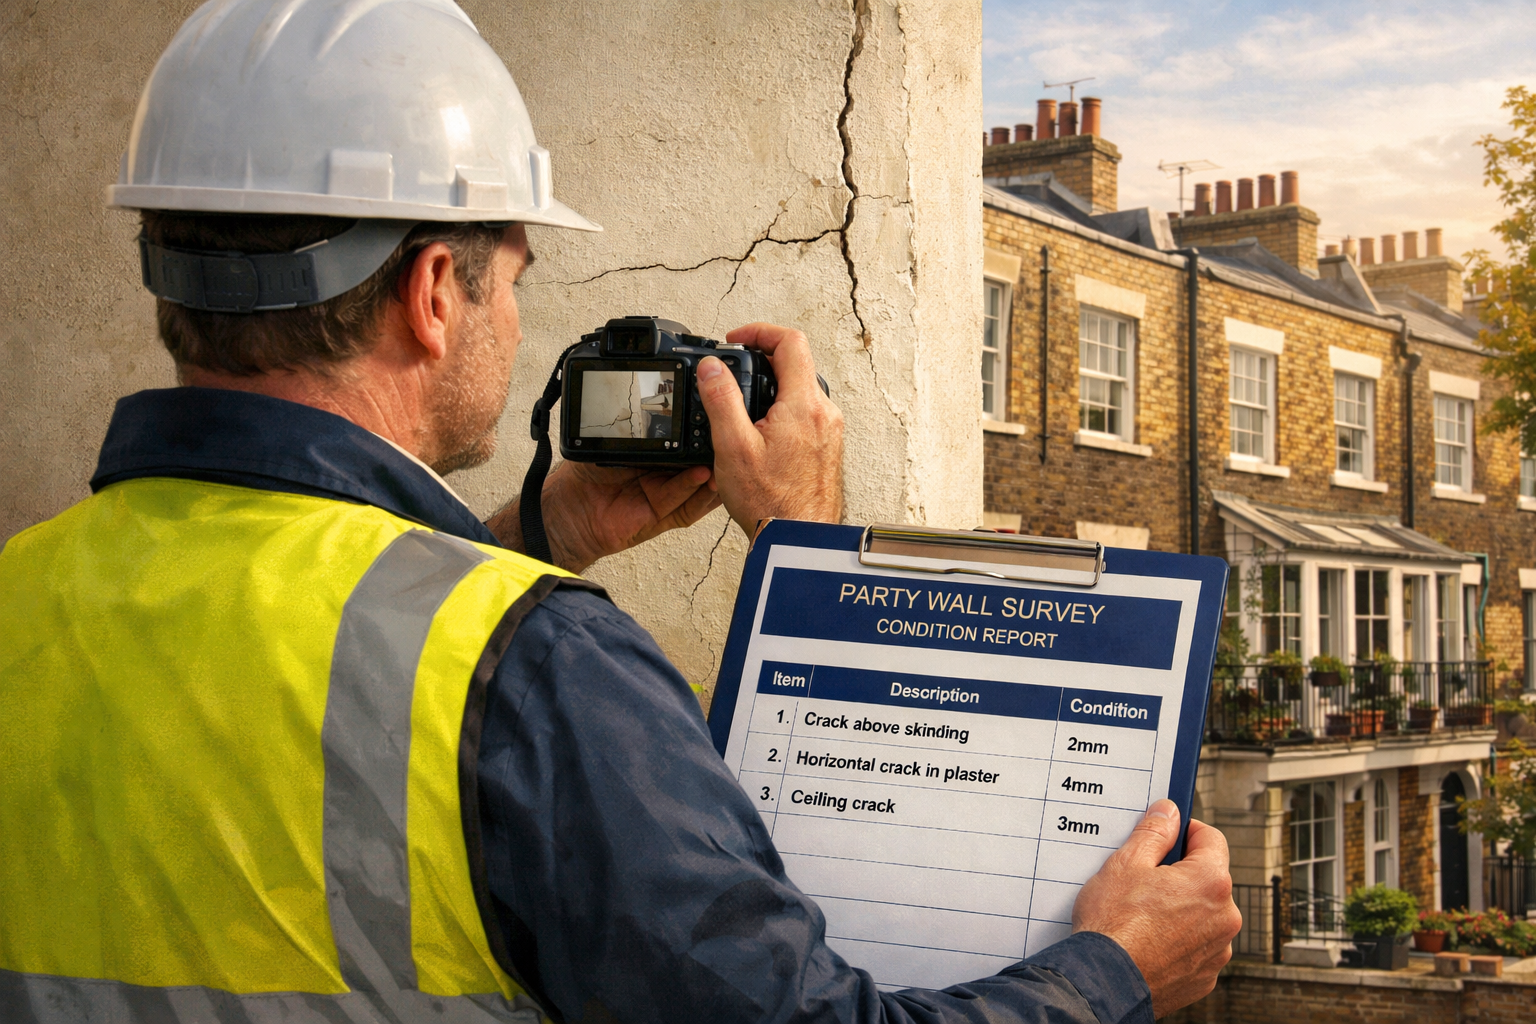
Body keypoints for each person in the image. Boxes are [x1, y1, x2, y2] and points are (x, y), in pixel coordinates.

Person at [0, 2, 1241, 1023]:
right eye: (515, 278)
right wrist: (1115, 974)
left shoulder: (24, 593)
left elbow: (301, 697)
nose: (515, 321)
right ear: (437, 290)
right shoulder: (541, 669)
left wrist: (536, 537)